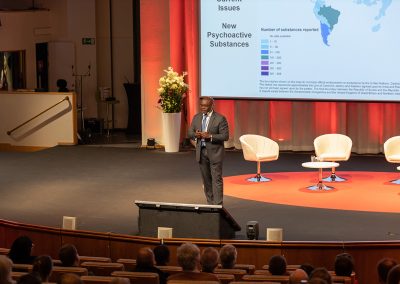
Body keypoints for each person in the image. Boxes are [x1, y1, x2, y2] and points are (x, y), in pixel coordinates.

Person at [188, 96, 229, 205]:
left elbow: (225, 136)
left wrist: (210, 136)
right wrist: (195, 135)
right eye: (201, 105)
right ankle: (210, 204)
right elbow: (189, 133)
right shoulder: (196, 117)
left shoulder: (220, 118)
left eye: (206, 106)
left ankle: (218, 205)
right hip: (201, 152)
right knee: (206, 180)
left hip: (215, 153)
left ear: (212, 105)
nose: (203, 108)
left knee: (216, 180)